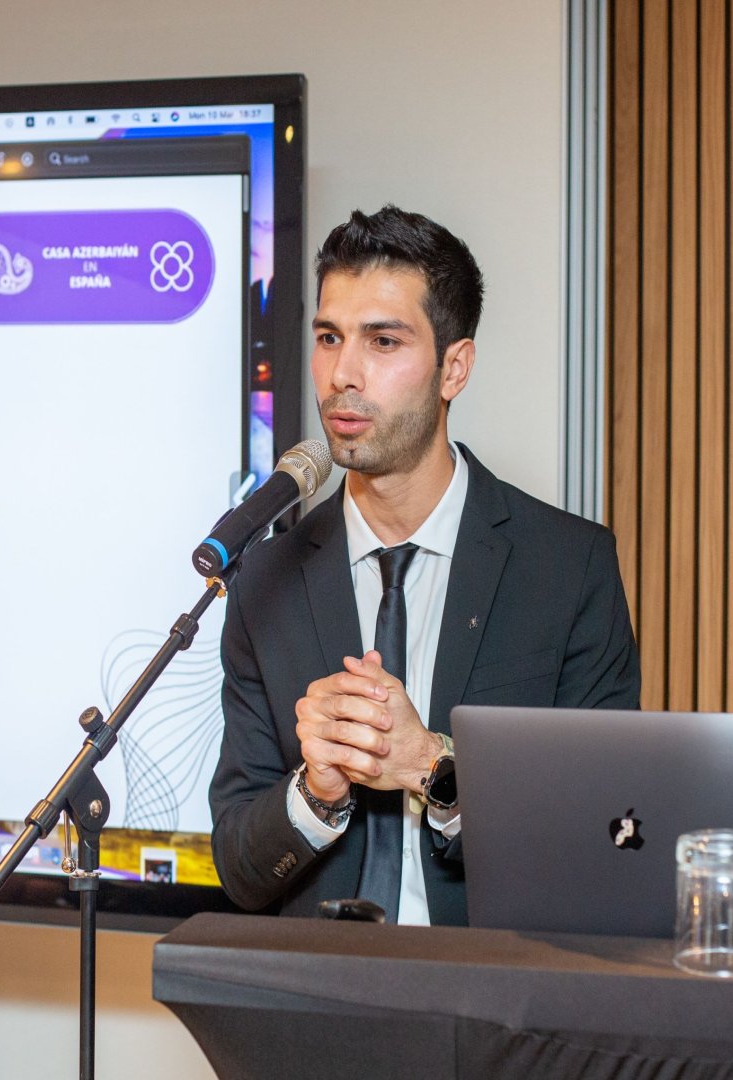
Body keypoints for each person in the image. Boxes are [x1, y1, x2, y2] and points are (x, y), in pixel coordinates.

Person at [208, 205, 640, 926]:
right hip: (321, 1006)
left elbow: (607, 840)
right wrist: (315, 791)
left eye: (382, 341)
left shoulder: (568, 569)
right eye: (327, 338)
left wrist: (433, 769)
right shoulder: (265, 582)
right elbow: (241, 874)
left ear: (454, 366)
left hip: (497, 1005)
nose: (343, 373)